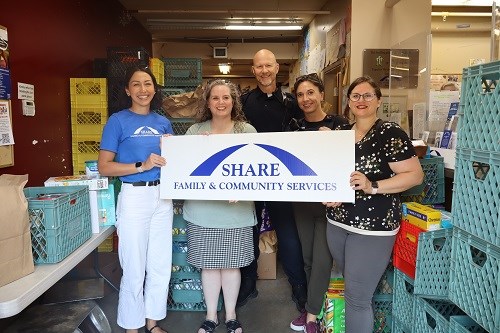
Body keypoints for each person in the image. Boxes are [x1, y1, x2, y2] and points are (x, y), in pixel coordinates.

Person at [323, 76, 424, 333]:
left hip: (372, 229)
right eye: (356, 96)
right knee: (351, 289)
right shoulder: (341, 134)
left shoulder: (389, 133)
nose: (361, 100)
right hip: (337, 223)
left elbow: (414, 175)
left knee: (357, 299)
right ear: (348, 102)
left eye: (368, 95)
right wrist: (328, 191)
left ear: (378, 101)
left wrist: (373, 186)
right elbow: (331, 173)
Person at [98, 66, 174, 333]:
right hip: (134, 197)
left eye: (148, 84)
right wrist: (140, 166)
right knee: (133, 265)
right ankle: (132, 327)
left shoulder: (163, 123)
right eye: (137, 84)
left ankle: (152, 324)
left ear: (154, 89)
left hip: (162, 198)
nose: (143, 89)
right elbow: (105, 167)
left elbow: (176, 160)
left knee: (160, 263)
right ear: (128, 90)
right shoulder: (117, 121)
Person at [182, 79, 257, 333]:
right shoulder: (195, 131)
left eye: (226, 97)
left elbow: (258, 171)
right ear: (208, 102)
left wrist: (244, 188)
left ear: (234, 102)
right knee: (209, 265)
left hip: (236, 213)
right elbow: (183, 166)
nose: (221, 102)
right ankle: (212, 316)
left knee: (232, 265)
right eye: (215, 98)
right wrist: (193, 148)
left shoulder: (247, 131)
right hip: (202, 212)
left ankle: (231, 315)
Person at [238, 48, 308, 311]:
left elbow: (307, 133)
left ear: (278, 68)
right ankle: (247, 283)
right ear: (253, 70)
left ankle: (299, 285)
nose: (264, 71)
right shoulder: (243, 103)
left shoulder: (292, 103)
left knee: (289, 233)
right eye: (259, 67)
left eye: (269, 65)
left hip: (283, 179)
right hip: (250, 179)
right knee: (249, 231)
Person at [289, 73, 349, 333]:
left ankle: (311, 317)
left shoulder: (340, 124)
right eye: (300, 95)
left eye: (310, 92)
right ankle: (317, 306)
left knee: (323, 260)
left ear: (322, 94)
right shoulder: (293, 127)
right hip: (302, 203)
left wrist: (334, 140)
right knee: (309, 259)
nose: (305, 99)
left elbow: (350, 161)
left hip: (330, 205)